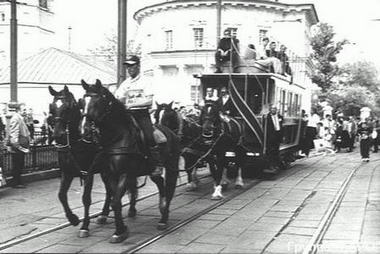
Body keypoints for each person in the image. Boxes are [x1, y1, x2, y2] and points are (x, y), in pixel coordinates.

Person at [114, 55, 166, 173]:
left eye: (132, 66)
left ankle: (157, 163)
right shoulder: (125, 83)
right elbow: (119, 98)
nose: (129, 69)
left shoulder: (146, 81)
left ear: (138, 66)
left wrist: (131, 104)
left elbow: (149, 100)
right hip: (127, 115)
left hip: (141, 114)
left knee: (148, 135)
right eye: (128, 66)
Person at [7, 103, 30, 188]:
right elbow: (14, 133)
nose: (25, 111)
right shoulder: (16, 118)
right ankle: (16, 183)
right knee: (17, 164)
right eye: (24, 110)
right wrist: (18, 146)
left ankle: (18, 181)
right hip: (18, 146)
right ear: (18, 110)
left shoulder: (20, 118)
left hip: (20, 146)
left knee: (20, 164)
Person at [265, 105, 283, 173]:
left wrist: (281, 135)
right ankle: (270, 165)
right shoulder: (267, 117)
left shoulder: (280, 117)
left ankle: (276, 165)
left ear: (276, 110)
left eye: (275, 109)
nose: (273, 110)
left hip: (277, 135)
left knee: (276, 151)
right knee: (270, 151)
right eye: (272, 109)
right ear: (270, 109)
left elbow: (281, 126)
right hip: (270, 136)